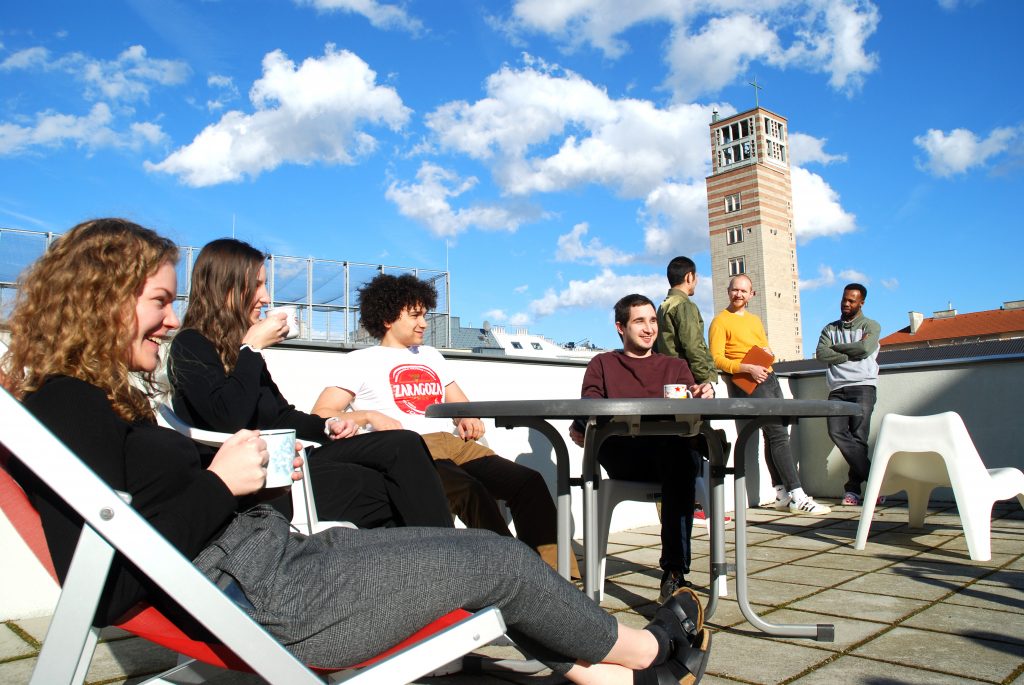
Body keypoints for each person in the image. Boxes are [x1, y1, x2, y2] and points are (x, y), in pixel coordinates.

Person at [2, 218, 711, 684]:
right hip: (275, 592)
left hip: (273, 557)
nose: (170, 317)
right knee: (496, 558)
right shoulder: (66, 404)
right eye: (158, 299)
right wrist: (221, 483)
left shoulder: (84, 398)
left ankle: (596, 660)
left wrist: (304, 442)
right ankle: (647, 655)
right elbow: (105, 582)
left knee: (459, 535)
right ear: (103, 298)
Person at [168, 238, 453, 530]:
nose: (265, 298)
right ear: (224, 286)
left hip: (292, 456)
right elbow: (227, 418)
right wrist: (251, 349)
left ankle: (448, 559)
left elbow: (281, 415)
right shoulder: (191, 345)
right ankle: (449, 561)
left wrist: (327, 426)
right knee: (390, 488)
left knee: (403, 443)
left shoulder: (239, 350)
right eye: (256, 285)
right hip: (262, 479)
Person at [312, 273, 579, 577]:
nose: (424, 323)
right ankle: (512, 576)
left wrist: (466, 418)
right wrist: (367, 416)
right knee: (470, 490)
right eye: (415, 315)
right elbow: (321, 413)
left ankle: (557, 578)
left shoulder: (431, 355)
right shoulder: (360, 361)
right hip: (407, 450)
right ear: (388, 318)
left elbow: (460, 405)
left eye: (424, 314)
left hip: (450, 443)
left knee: (527, 482)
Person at [570, 294, 715, 603]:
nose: (649, 328)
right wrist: (581, 424)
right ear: (620, 327)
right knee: (682, 460)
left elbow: (691, 405)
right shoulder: (603, 364)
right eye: (639, 321)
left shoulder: (675, 366)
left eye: (652, 320)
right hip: (626, 456)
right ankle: (675, 575)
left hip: (672, 456)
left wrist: (702, 393)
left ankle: (674, 574)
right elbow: (588, 403)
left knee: (682, 457)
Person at [708, 275, 830, 515]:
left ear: (752, 294)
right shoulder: (720, 322)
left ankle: (782, 493)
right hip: (748, 383)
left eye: (744, 291)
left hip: (769, 377)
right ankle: (797, 494)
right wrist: (747, 368)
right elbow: (717, 359)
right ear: (728, 290)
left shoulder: (754, 320)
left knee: (774, 434)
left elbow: (763, 347)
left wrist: (766, 354)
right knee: (777, 435)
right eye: (735, 290)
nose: (739, 294)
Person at [815, 284, 880, 506]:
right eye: (844, 299)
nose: (846, 303)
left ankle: (853, 491)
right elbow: (822, 354)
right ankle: (876, 481)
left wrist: (838, 350)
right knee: (837, 432)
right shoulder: (829, 329)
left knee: (859, 438)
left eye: (852, 300)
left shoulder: (871, 325)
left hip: (863, 386)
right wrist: (848, 353)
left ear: (861, 303)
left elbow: (865, 349)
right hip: (837, 390)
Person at [655, 257, 717, 385]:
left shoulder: (663, 306)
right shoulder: (684, 305)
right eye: (696, 277)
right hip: (688, 379)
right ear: (689, 277)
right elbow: (693, 346)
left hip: (667, 377)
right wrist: (706, 379)